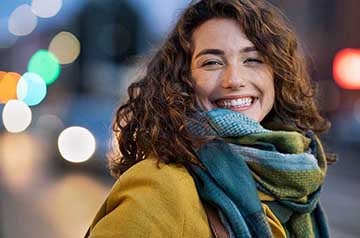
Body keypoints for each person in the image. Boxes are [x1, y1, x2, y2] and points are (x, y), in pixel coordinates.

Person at [85, 0, 335, 237]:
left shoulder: (298, 182)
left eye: (252, 60)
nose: (234, 80)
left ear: (276, 75)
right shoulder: (160, 187)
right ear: (182, 80)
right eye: (212, 62)